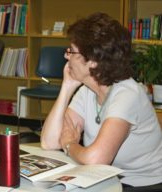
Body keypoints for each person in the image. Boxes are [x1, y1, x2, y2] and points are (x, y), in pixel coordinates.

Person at [41, 12, 162, 191]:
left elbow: (96, 159)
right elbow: (49, 142)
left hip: (141, 185)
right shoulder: (87, 90)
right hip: (105, 178)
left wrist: (69, 144)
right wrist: (66, 88)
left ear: (93, 61)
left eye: (72, 51)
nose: (66, 57)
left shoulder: (127, 95)